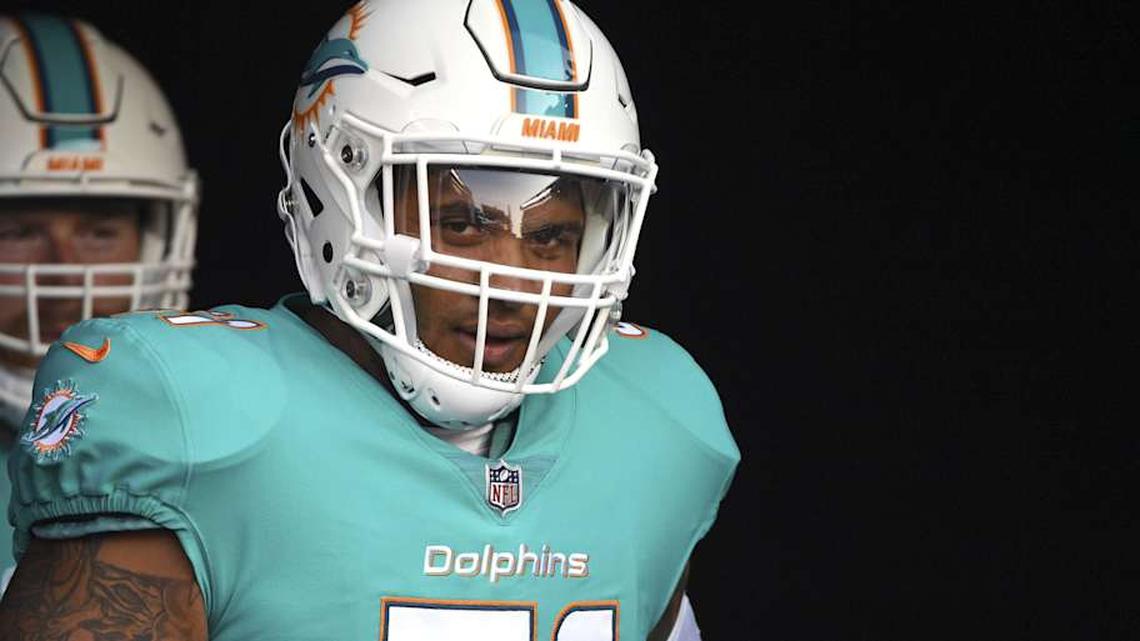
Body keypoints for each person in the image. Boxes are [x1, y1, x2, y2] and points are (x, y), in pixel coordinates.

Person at [0, 1, 737, 639]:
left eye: (550, 237)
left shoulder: (654, 417)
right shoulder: (191, 414)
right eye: (463, 223)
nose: (513, 282)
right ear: (341, 195)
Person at [0, 13, 199, 595]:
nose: (64, 269)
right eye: (16, 232)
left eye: (99, 230)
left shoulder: (218, 439)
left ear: (160, 238)